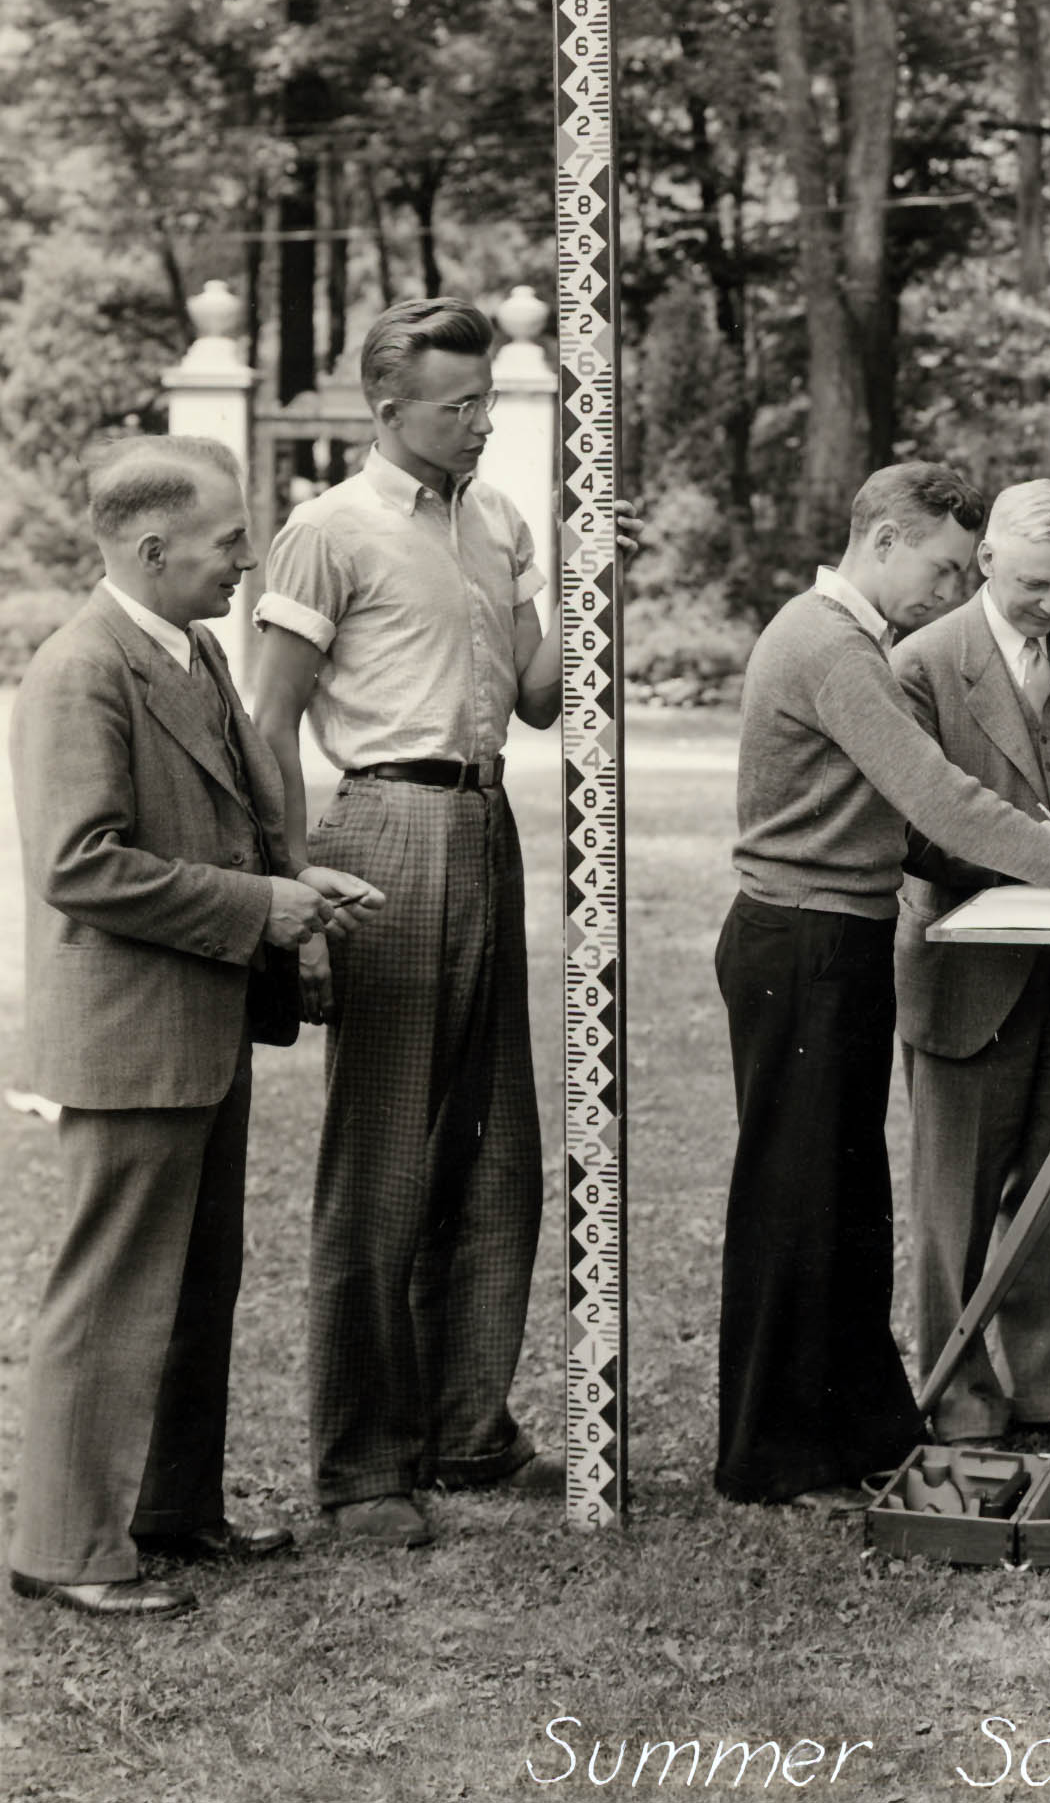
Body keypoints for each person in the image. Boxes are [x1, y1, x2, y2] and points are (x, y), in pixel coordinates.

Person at [717, 464, 1050, 1509]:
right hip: (802, 943)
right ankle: (774, 1458)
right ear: (882, 542)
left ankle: (859, 1430)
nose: (949, 588)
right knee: (798, 1207)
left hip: (839, 938)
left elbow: (908, 828)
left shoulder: (849, 638)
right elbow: (938, 796)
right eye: (943, 566)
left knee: (843, 1204)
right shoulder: (832, 645)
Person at [10, 437, 382, 1615]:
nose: (249, 558)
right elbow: (80, 866)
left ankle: (172, 1511)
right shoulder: (80, 669)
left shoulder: (196, 646)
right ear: (152, 547)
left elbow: (241, 812)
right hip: (131, 1034)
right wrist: (261, 907)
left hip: (200, 1021)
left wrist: (298, 887)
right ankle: (67, 1549)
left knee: (194, 1281)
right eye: (230, 539)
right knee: (114, 1290)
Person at [252, 298, 565, 1548]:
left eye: (487, 399)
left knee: (499, 1152)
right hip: (382, 829)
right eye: (459, 404)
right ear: (388, 411)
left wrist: (599, 582)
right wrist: (292, 889)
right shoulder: (326, 532)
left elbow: (539, 700)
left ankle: (467, 1429)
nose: (483, 421)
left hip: (487, 823)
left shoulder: (499, 520)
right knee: (382, 1158)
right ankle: (362, 1468)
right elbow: (268, 723)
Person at [890, 479, 1050, 1450]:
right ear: (986, 561)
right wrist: (1048, 870)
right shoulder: (920, 663)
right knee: (954, 1207)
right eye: (1032, 584)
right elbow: (916, 832)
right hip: (967, 973)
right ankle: (959, 1404)